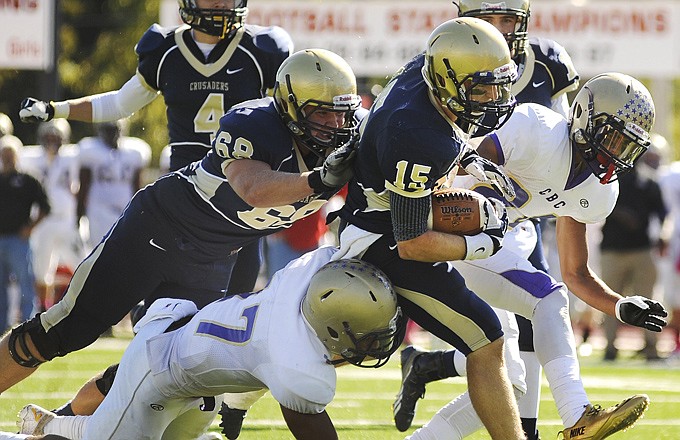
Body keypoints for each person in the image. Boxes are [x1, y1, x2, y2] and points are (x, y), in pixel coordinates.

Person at [0, 46, 362, 415]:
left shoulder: (357, 137)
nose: (334, 125)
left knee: (161, 369)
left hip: (211, 259)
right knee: (64, 330)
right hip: (156, 231)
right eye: (321, 113)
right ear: (289, 106)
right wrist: (319, 179)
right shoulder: (254, 123)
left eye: (342, 114)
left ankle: (58, 425)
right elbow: (254, 190)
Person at [18, 0, 293, 430]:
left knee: (215, 339)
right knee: (139, 342)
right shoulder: (165, 49)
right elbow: (120, 102)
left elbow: (295, 117)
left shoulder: (263, 51)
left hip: (240, 219)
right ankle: (68, 422)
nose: (220, 4)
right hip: (180, 213)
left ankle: (67, 421)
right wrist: (60, 109)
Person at [392, 73, 667, 440]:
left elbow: (576, 273)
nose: (617, 154)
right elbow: (454, 164)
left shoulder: (598, 191)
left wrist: (618, 306)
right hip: (447, 236)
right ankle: (577, 415)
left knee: (510, 384)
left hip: (490, 245)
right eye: (613, 137)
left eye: (627, 146)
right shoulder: (537, 128)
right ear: (587, 117)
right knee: (547, 298)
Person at [331, 17, 528, 439]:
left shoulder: (428, 70)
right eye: (481, 88)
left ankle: (241, 384)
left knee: (349, 344)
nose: (493, 98)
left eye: (498, 85)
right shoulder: (417, 135)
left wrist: (465, 158)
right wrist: (480, 243)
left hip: (380, 206)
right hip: (378, 235)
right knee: (488, 338)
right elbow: (412, 243)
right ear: (447, 80)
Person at [393, 2, 581, 438]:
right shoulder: (444, 61)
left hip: (518, 222)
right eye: (486, 18)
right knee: (505, 349)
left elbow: (565, 142)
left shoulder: (546, 64)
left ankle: (433, 366)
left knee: (529, 331)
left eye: (507, 20)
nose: (497, 29)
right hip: (459, 220)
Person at [16, 249, 404, 440]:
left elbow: (262, 363)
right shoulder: (299, 367)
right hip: (159, 372)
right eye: (365, 334)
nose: (374, 343)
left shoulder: (306, 275)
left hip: (193, 364)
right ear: (333, 327)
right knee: (95, 439)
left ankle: (54, 419)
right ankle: (43, 426)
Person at [600, 136, 667, 361]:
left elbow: (663, 214)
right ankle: (610, 347)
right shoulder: (610, 178)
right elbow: (596, 207)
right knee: (608, 299)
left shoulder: (649, 182)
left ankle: (651, 347)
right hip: (612, 248)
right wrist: (620, 214)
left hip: (641, 249)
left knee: (648, 300)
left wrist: (663, 235)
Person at [19, 120, 82, 312]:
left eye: (56, 137)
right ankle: (43, 310)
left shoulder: (72, 156)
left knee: (82, 263)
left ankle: (85, 308)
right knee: (41, 269)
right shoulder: (31, 158)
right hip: (43, 221)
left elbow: (77, 188)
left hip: (66, 220)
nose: (52, 141)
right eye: (49, 137)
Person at [76, 119, 151, 249]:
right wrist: (78, 215)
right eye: (108, 130)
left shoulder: (134, 152)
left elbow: (137, 186)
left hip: (125, 209)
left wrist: (140, 211)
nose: (112, 134)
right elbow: (84, 185)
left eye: (114, 129)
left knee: (125, 250)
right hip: (99, 210)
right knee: (99, 250)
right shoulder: (90, 150)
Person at [0, 144, 51, 333]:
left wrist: (30, 227)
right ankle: (2, 327)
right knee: (1, 287)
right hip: (1, 238)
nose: (6, 159)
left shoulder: (28, 180)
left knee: (25, 283)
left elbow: (45, 207)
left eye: (9, 155)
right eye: (3, 155)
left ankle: (28, 324)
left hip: (18, 240)